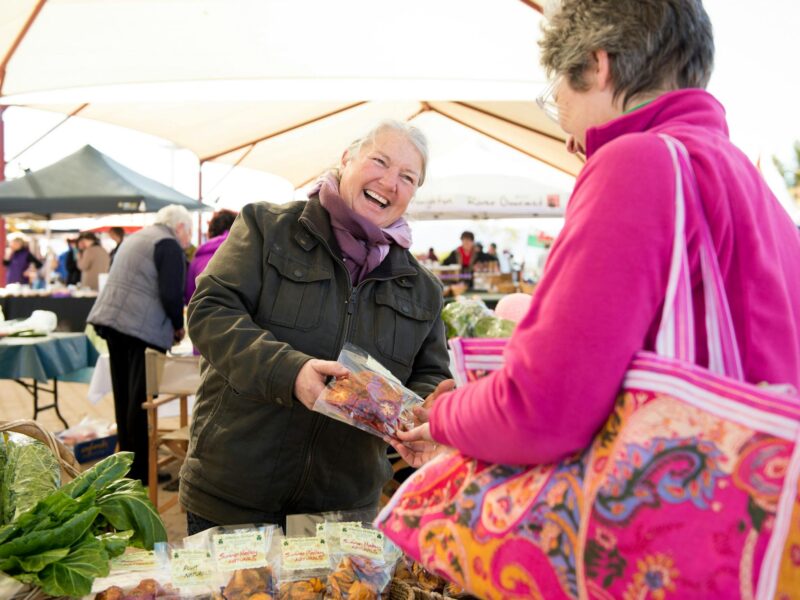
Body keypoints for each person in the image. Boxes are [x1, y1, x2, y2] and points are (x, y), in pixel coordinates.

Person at [394, 0, 800, 477]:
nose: (571, 141)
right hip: (760, 509)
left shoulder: (638, 162)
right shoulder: (746, 181)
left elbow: (543, 406)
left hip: (673, 510)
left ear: (597, 64)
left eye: (558, 95)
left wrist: (449, 416)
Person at [179, 119, 450, 534]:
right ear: (346, 160)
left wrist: (428, 415)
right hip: (236, 493)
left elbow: (429, 374)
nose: (390, 182)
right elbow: (211, 310)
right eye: (380, 161)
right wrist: (290, 373)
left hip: (342, 507)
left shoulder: (424, 288)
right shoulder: (267, 227)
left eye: (408, 177)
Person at [87, 205, 193, 485]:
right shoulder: (168, 244)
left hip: (112, 322)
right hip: (139, 328)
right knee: (141, 402)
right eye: (189, 233)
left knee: (125, 399)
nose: (189, 241)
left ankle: (129, 468)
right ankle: (140, 472)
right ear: (180, 227)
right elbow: (171, 294)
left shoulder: (138, 237)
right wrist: (178, 326)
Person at [184, 209, 237, 305]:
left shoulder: (197, 258)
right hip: (236, 317)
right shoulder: (241, 253)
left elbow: (190, 297)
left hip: (203, 316)